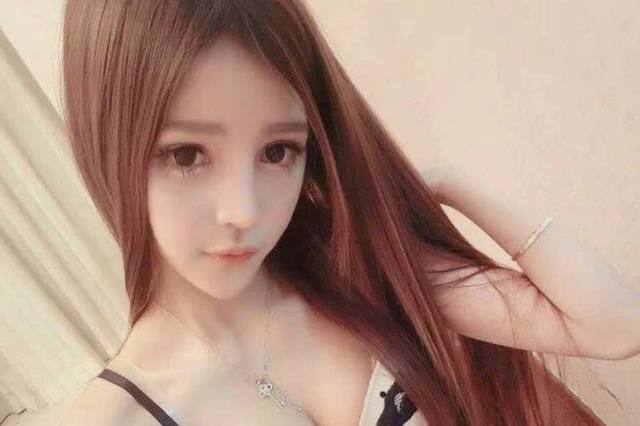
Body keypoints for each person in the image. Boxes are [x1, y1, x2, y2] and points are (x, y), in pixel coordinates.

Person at [58, 0, 638, 424]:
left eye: (277, 152)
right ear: (106, 145)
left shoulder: (351, 267)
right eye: (187, 155)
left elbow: (615, 327)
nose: (244, 210)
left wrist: (444, 183)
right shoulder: (118, 415)